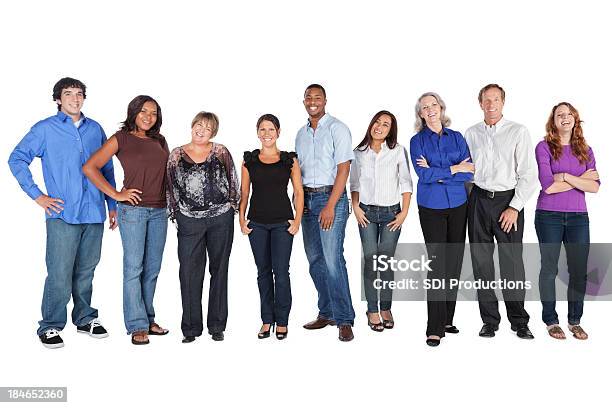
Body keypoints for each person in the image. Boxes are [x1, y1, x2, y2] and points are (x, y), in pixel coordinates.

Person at [8, 77, 116, 348]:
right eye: (68, 94)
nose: (75, 99)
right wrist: (38, 196)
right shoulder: (45, 129)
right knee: (59, 271)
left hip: (93, 212)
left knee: (86, 270)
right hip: (62, 213)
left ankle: (85, 318)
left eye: (79, 94)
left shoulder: (95, 130)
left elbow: (106, 169)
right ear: (58, 99)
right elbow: (16, 158)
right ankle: (51, 325)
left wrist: (112, 204)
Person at [83, 95, 170, 345]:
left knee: (152, 269)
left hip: (159, 211)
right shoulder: (120, 138)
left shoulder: (160, 140)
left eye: (153, 113)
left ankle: (148, 318)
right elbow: (90, 167)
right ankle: (136, 325)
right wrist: (116, 194)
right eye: (143, 111)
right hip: (133, 211)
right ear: (133, 112)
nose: (148, 116)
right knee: (134, 268)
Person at [465, 83, 538, 339]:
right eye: (486, 99)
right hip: (479, 201)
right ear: (480, 103)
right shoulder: (471, 133)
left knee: (512, 263)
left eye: (496, 99)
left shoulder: (518, 131)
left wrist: (514, 207)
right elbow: (467, 171)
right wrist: (471, 201)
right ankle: (489, 321)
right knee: (481, 264)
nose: (491, 104)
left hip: (509, 201)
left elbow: (529, 174)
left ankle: (519, 321)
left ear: (503, 103)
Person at [166, 111, 239, 343]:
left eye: (207, 128)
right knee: (189, 273)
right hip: (189, 220)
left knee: (219, 270)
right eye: (198, 125)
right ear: (192, 126)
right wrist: (177, 214)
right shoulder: (176, 154)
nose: (201, 130)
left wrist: (232, 208)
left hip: (220, 218)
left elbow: (233, 178)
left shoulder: (221, 152)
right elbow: (169, 185)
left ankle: (217, 326)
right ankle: (190, 329)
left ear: (213, 132)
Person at [409, 93, 473, 347]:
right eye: (425, 107)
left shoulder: (457, 137)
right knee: (437, 264)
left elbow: (470, 171)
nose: (430, 110)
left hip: (459, 204)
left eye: (433, 105)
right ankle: (433, 328)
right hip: (431, 208)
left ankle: (447, 318)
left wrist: (442, 173)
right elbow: (422, 175)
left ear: (441, 108)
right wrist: (454, 168)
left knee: (454, 262)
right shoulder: (417, 141)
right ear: (421, 114)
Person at [295, 84, 356, 342]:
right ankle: (327, 311)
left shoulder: (337, 128)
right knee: (315, 260)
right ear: (303, 101)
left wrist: (330, 205)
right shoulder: (300, 133)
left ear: (325, 101)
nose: (312, 101)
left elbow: (344, 169)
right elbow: (297, 170)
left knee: (333, 259)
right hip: (307, 200)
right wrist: (298, 202)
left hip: (332, 197)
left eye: (317, 97)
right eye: (308, 97)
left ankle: (344, 319)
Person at [535, 102, 599, 340]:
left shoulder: (586, 150)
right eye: (559, 114)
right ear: (553, 120)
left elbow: (594, 186)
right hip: (548, 215)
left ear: (575, 119)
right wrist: (579, 179)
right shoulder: (544, 147)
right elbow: (548, 187)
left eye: (569, 114)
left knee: (579, 271)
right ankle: (551, 321)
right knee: (549, 269)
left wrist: (565, 176)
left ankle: (575, 321)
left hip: (578, 218)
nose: (565, 118)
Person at [239, 114, 304, 340]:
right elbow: (244, 193)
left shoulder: (289, 160)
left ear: (278, 132)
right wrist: (241, 219)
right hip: (256, 223)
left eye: (271, 129)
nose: (267, 133)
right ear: (258, 133)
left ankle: (283, 320)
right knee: (263, 272)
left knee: (281, 271)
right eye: (262, 129)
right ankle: (267, 320)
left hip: (282, 224)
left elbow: (298, 191)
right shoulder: (249, 160)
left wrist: (297, 221)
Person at [350, 110, 412, 333]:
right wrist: (355, 207)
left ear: (390, 130)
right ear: (371, 124)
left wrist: (404, 213)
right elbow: (354, 184)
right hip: (365, 213)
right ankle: (372, 309)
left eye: (385, 125)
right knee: (370, 260)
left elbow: (406, 183)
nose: (380, 127)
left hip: (391, 215)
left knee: (385, 262)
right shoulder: (358, 153)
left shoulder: (397, 151)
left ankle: (386, 307)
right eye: (377, 122)